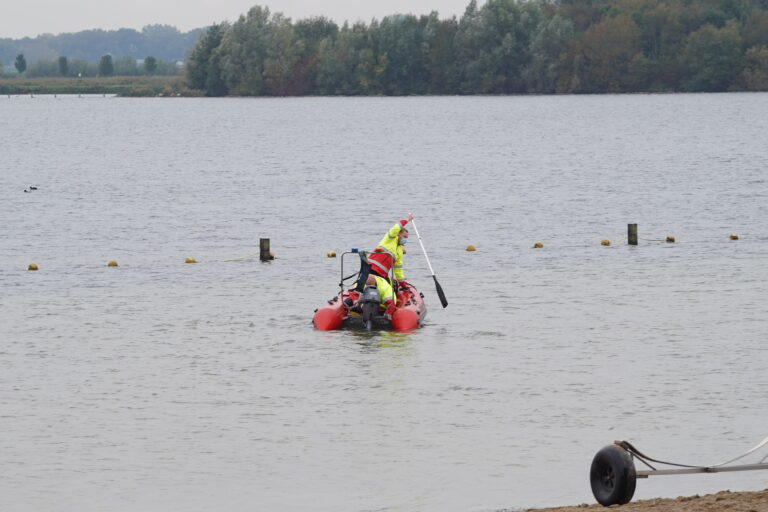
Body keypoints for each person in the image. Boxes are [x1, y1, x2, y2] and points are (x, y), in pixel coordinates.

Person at [346, 213, 413, 316]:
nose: (406, 239)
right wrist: (407, 220)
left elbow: (398, 270)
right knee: (359, 287)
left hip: (381, 276)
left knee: (388, 292)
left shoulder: (399, 251)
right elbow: (395, 228)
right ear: (398, 235)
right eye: (404, 236)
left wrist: (403, 284)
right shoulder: (389, 239)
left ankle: (382, 310)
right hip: (369, 270)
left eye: (407, 238)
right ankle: (353, 304)